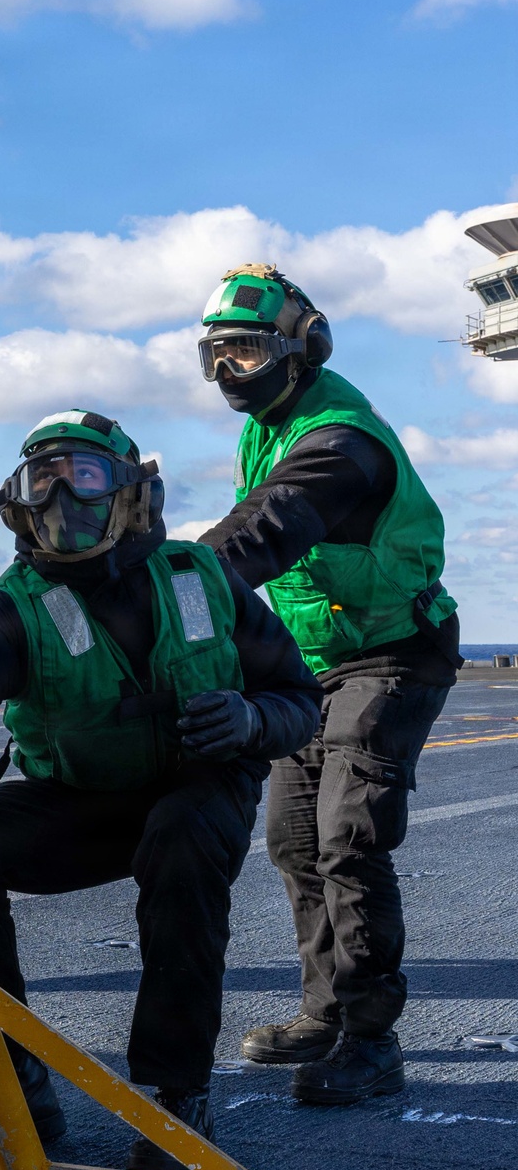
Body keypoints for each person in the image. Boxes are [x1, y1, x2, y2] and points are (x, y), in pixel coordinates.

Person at [0, 409, 322, 1169]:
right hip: (84, 801)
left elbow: (300, 702)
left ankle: (174, 1096)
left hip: (199, 787)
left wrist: (249, 719)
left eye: (81, 477)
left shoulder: (202, 579)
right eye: (39, 481)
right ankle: (12, 1085)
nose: (60, 501)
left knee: (181, 842)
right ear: (15, 501)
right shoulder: (19, 605)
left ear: (129, 493)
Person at [196, 264, 461, 1106]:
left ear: (302, 346)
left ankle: (373, 1041)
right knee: (293, 838)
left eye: (246, 349)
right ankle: (325, 1012)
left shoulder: (339, 437)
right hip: (312, 661)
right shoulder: (267, 426)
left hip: (394, 652)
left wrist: (163, 589)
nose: (230, 372)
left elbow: (267, 528)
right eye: (217, 355)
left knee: (352, 835)